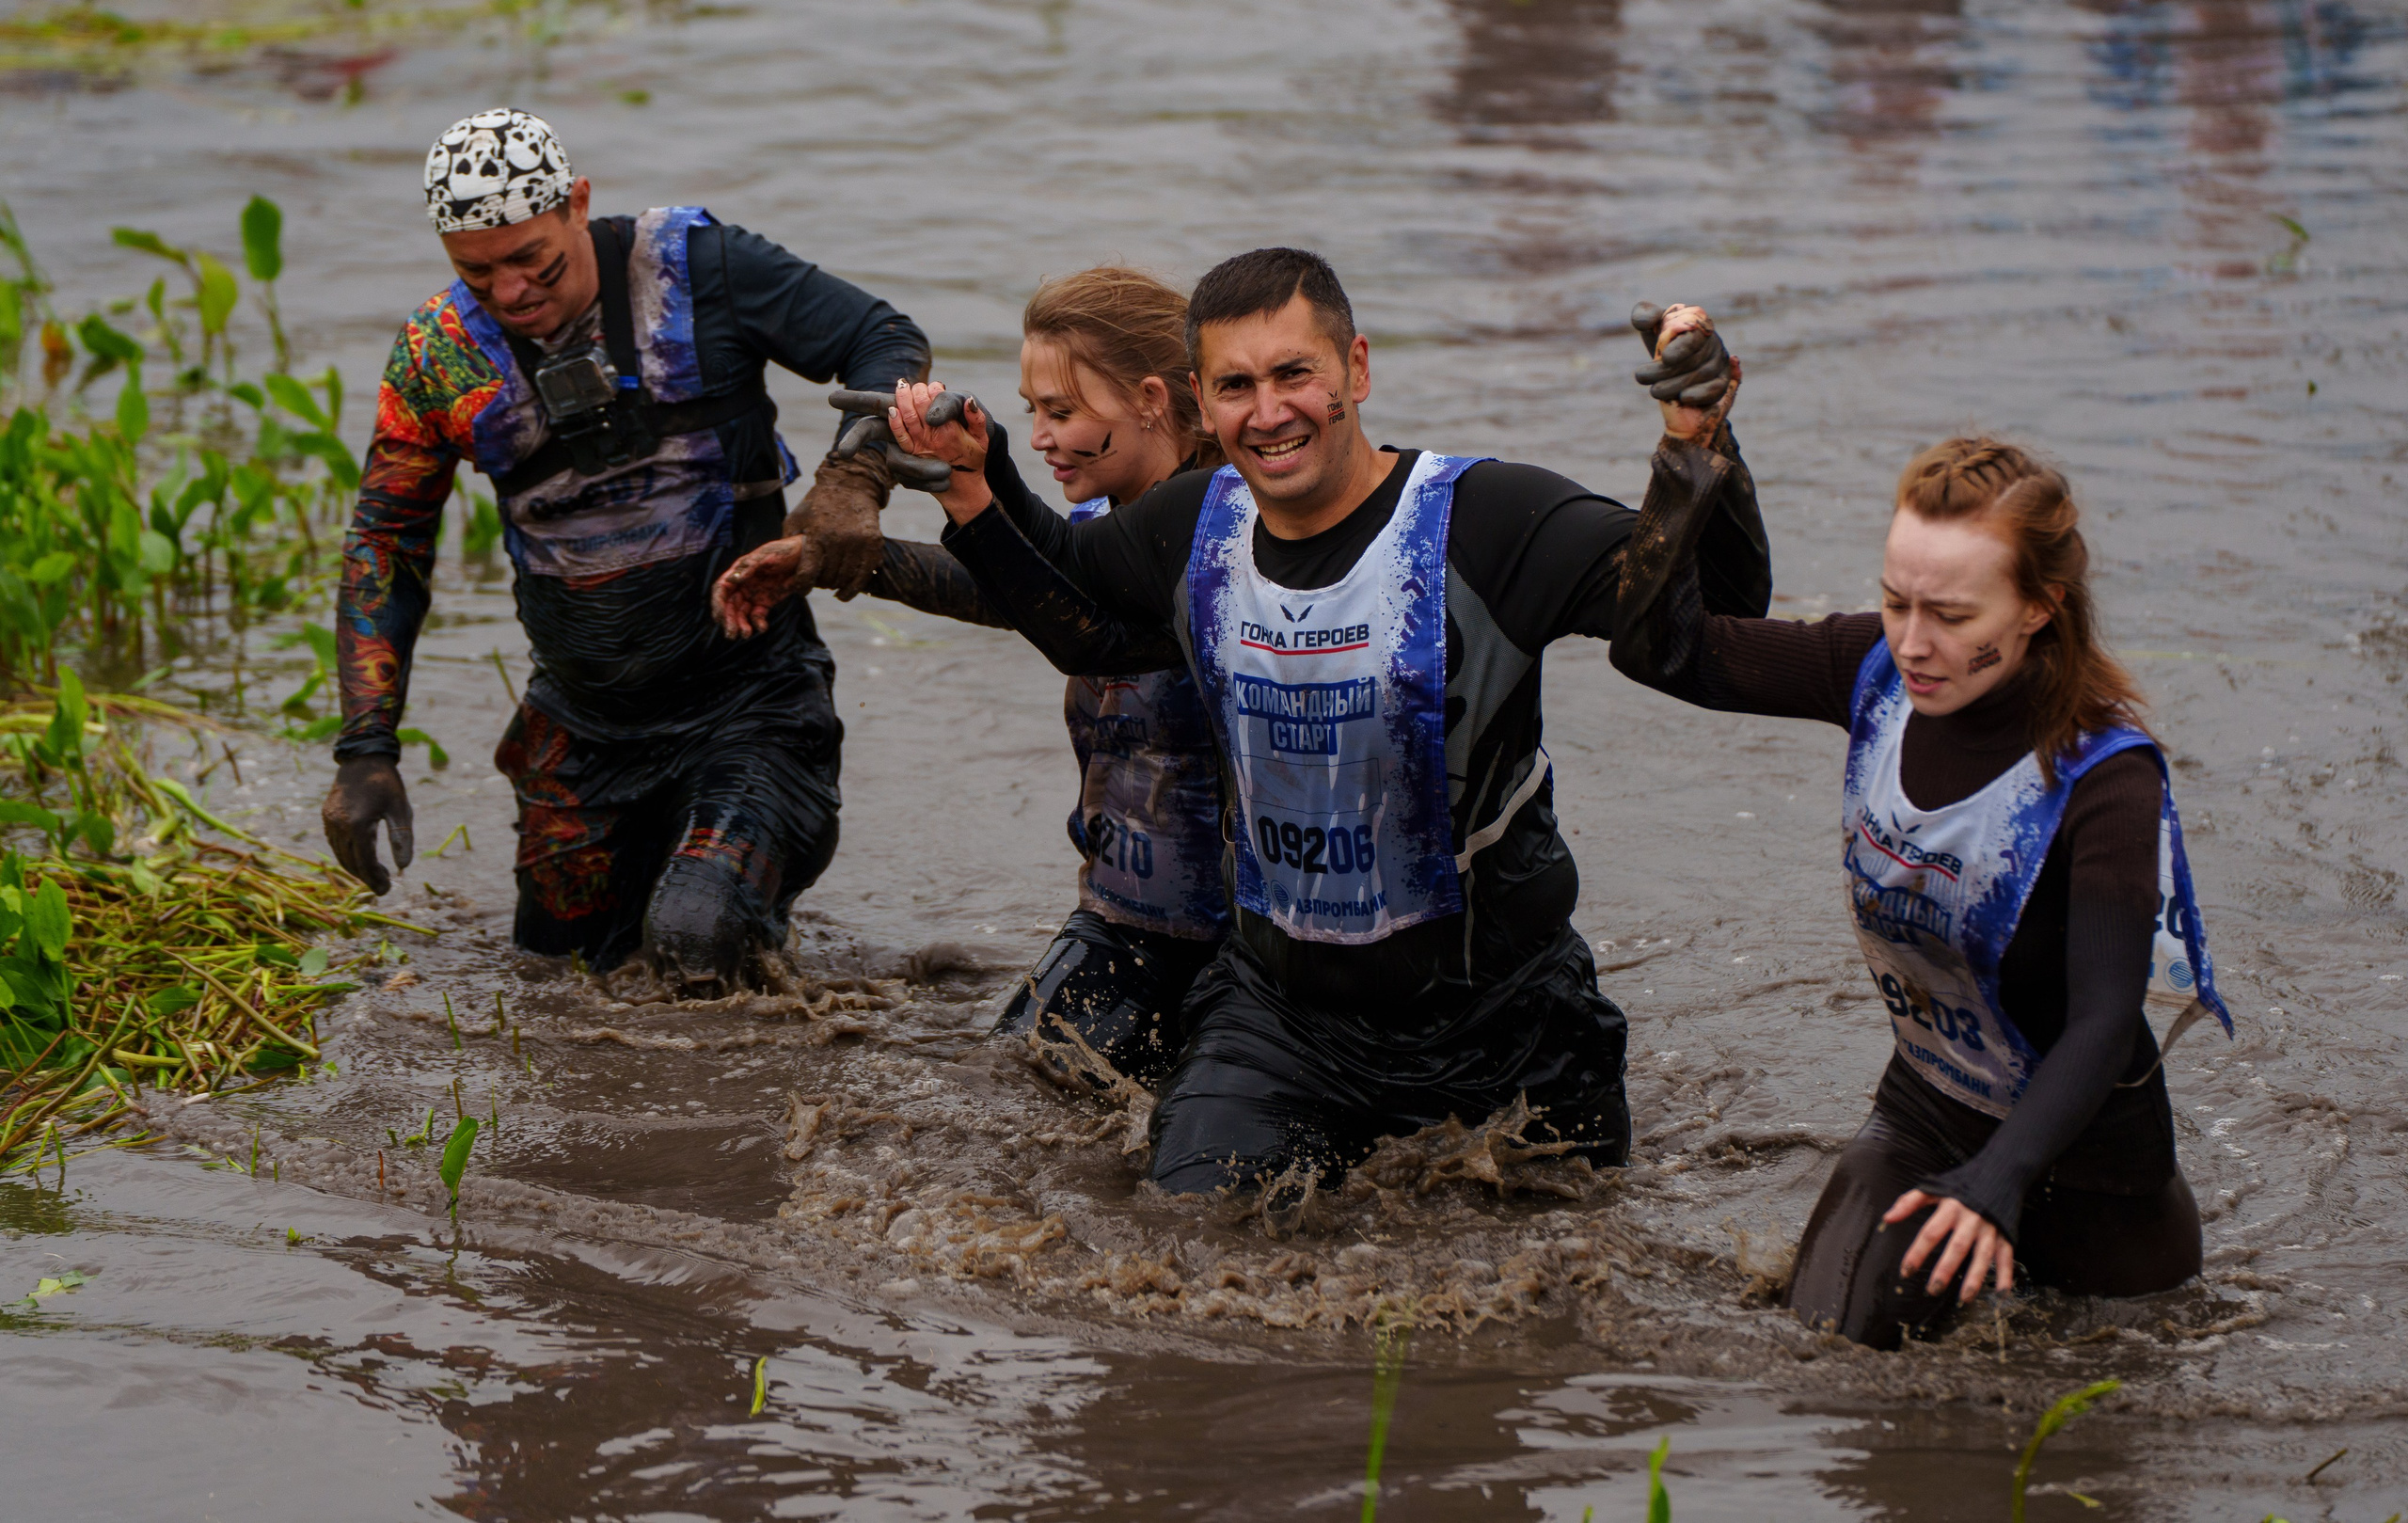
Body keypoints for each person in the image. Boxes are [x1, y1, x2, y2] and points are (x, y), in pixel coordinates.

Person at [871, 247, 1774, 1198]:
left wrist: (1699, 448)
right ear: (1201, 400)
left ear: (1356, 371)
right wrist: (972, 484)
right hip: (1285, 1023)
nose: (1268, 412)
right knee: (1182, 1238)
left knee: (1548, 1300)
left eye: (1293, 373)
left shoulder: (1490, 518)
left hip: (1507, 1028)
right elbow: (1078, 618)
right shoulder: (1193, 522)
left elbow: (1704, 624)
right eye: (1236, 385)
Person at [1608, 314, 2229, 1348]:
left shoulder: (2101, 776)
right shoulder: (1872, 672)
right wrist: (1693, 450)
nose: (1913, 643)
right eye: (1896, 603)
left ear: (2037, 607)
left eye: (1949, 615)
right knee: (1826, 1372)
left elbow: (2100, 1019)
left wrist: (2000, 1181)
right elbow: (1665, 653)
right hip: (1928, 1116)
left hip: (2096, 1193)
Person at [321, 107, 930, 994]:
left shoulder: (697, 270)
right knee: (554, 979)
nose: (513, 292)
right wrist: (365, 749)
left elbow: (884, 339)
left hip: (750, 702)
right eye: (477, 272)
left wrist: (853, 478)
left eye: (535, 259)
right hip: (582, 728)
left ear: (579, 203)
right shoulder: (439, 355)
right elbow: (387, 542)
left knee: (696, 934)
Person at [714, 266, 1228, 1086]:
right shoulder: (1108, 520)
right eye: (1030, 413)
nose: (1040, 437)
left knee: (1024, 1095)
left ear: (1153, 399)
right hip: (1125, 911)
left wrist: (969, 495)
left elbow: (1085, 635)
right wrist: (840, 558)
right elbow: (1028, 596)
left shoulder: (1225, 523)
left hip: (1221, 936)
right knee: (1017, 1088)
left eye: (1062, 412)